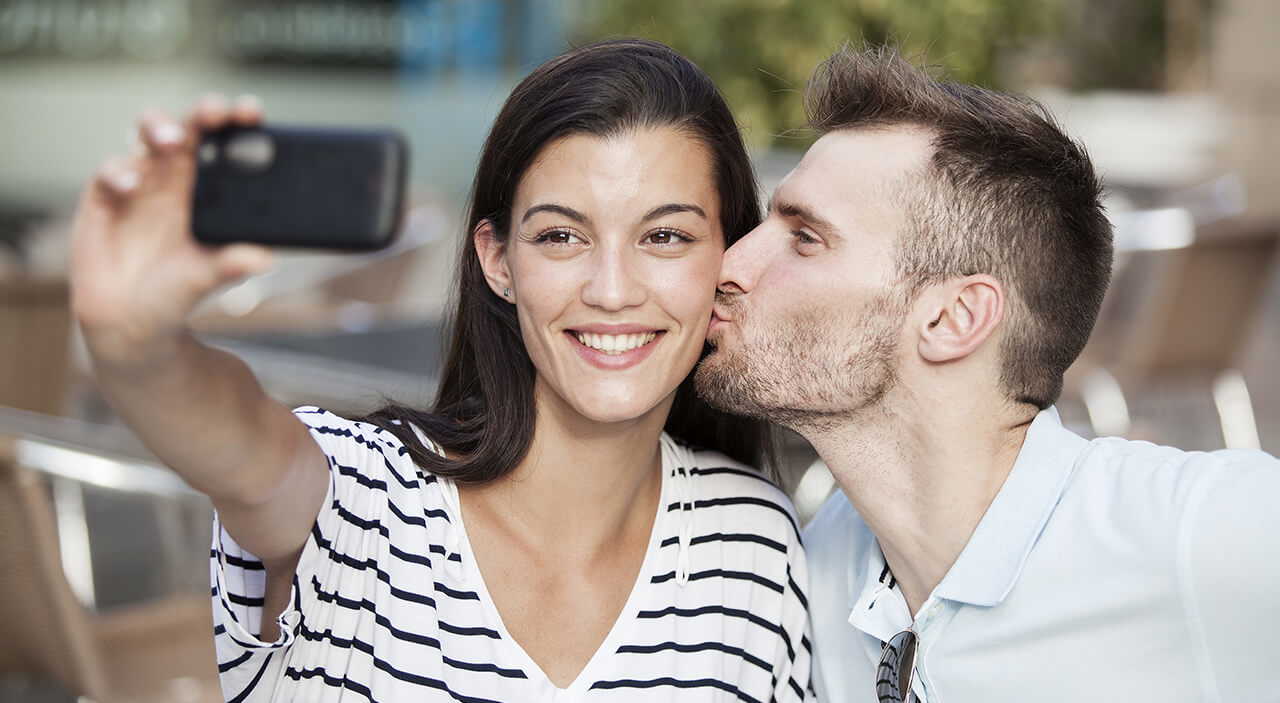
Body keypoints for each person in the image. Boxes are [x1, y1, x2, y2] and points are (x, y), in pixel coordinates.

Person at [71, 39, 813, 702]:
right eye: (560, 235)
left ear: (727, 258)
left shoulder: (753, 543)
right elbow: (237, 444)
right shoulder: (359, 501)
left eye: (665, 235)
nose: (612, 290)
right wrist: (134, 340)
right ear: (498, 262)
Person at [696, 44, 1280, 702]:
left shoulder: (1196, 533)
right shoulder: (810, 568)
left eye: (805, 237)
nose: (727, 266)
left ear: (954, 317)